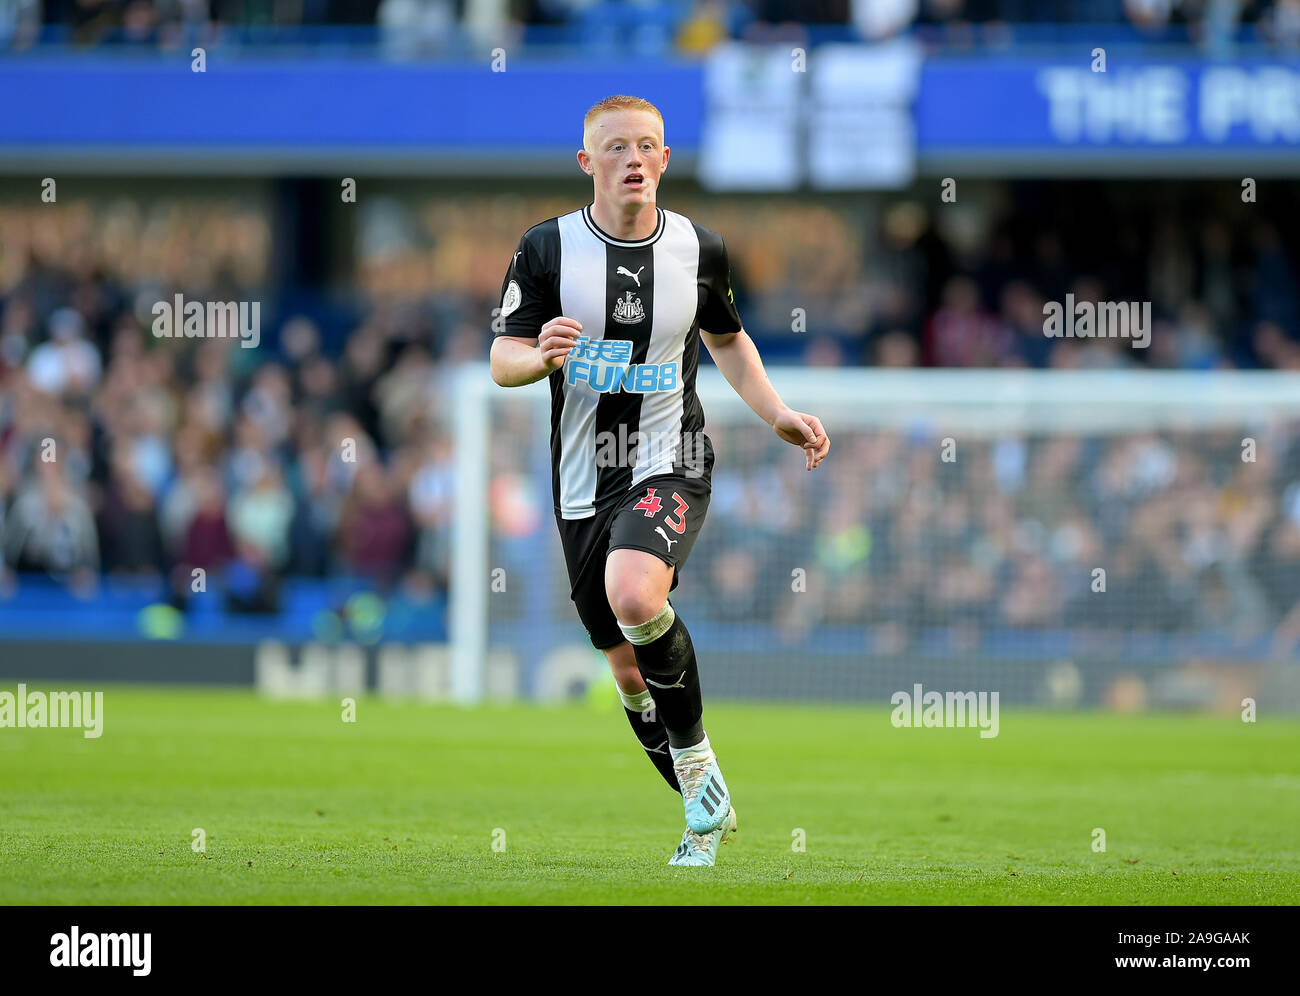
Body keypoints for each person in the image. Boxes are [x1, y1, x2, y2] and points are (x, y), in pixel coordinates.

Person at [489, 95, 830, 866]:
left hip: (669, 454)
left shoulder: (699, 249)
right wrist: (539, 354)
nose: (633, 159)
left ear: (666, 160)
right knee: (624, 665)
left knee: (639, 594)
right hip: (584, 476)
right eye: (615, 148)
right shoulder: (545, 250)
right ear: (588, 164)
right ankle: (703, 801)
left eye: (647, 145)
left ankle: (701, 780)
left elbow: (728, 338)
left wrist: (776, 412)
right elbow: (501, 358)